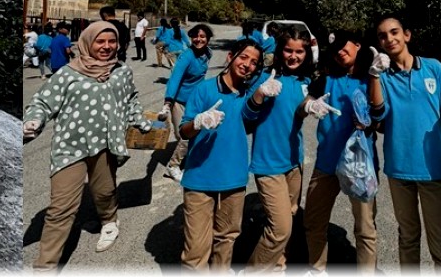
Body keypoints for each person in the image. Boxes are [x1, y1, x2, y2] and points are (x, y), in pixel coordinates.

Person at [23, 21, 153, 268]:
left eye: (111, 41)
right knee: (60, 209)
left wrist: (140, 121)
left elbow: (131, 99)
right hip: (70, 148)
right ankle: (45, 267)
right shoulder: (68, 74)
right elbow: (41, 103)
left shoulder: (121, 72)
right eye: (100, 41)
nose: (106, 47)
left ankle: (109, 221)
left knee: (104, 192)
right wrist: (33, 121)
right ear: (87, 42)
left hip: (106, 144)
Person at [372, 15, 441, 273]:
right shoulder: (381, 77)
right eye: (383, 35)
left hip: (432, 168)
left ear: (407, 35)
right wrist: (373, 76)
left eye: (394, 32)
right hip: (398, 168)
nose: (389, 38)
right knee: (407, 236)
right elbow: (378, 115)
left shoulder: (432, 68)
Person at [303, 30, 386, 276]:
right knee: (313, 221)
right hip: (327, 163)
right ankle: (316, 269)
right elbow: (306, 97)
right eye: (335, 48)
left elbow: (380, 119)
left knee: (365, 227)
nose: (339, 51)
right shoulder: (328, 79)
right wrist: (309, 104)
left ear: (358, 45)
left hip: (361, 165)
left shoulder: (372, 79)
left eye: (344, 45)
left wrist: (369, 120)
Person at [177, 38, 264, 269]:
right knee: (196, 250)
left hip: (233, 179)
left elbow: (250, 121)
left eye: (254, 62)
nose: (247, 64)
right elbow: (183, 131)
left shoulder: (248, 95)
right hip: (199, 178)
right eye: (243, 57)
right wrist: (197, 121)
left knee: (226, 239)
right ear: (230, 57)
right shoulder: (204, 89)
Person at [245, 26, 318, 272]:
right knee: (280, 228)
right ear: (280, 51)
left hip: (294, 162)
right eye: (288, 50)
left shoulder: (305, 81)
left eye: (299, 52)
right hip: (268, 164)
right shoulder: (264, 76)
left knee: (290, 216)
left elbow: (298, 113)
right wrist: (259, 94)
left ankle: (278, 266)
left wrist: (310, 107)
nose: (293, 56)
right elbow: (246, 115)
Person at [160, 23, 215, 183]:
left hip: (197, 99)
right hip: (180, 101)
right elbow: (175, 78)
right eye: (195, 36)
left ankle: (192, 158)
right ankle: (172, 166)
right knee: (184, 134)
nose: (199, 39)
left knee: (199, 129)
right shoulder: (187, 56)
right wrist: (168, 102)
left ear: (208, 39)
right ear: (191, 37)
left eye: (203, 36)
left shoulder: (207, 53)